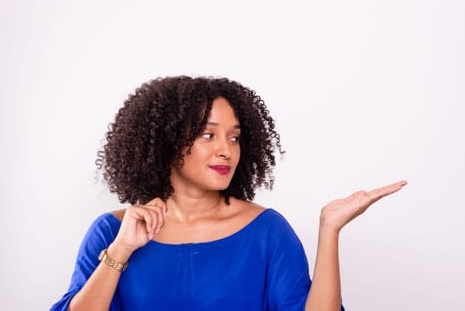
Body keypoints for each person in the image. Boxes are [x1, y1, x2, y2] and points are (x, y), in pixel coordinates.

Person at [51, 75, 407, 311]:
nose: (226, 150)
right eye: (209, 135)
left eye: (234, 137)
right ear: (168, 141)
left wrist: (329, 230)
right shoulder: (112, 232)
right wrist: (121, 251)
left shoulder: (266, 231)